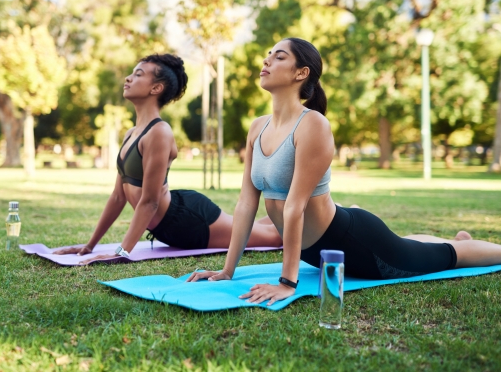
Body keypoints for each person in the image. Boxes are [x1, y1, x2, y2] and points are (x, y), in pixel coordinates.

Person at [187, 38, 501, 305]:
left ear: (301, 73)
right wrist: (227, 270)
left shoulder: (312, 125)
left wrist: (287, 282)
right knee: (407, 244)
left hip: (352, 243)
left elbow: (296, 206)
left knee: (444, 257)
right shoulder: (258, 127)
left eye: (279, 56)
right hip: (313, 252)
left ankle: (466, 244)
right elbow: (245, 204)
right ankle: (452, 238)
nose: (267, 60)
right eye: (268, 54)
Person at [54, 54, 282, 260]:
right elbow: (117, 197)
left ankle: (304, 216)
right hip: (170, 227)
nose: (128, 78)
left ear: (156, 88)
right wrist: (89, 245)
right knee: (262, 229)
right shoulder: (131, 134)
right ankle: (288, 216)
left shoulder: (159, 132)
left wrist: (121, 253)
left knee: (274, 238)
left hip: (188, 221)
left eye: (138, 74)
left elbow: (150, 201)